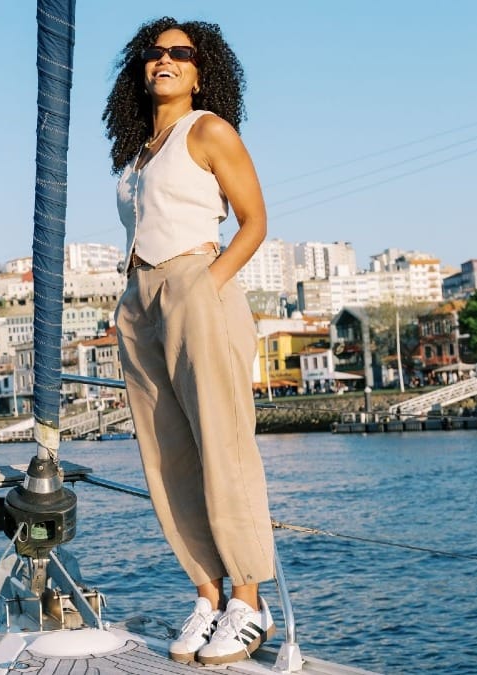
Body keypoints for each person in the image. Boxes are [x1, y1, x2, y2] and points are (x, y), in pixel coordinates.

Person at [103, 17, 275, 666]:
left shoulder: (209, 131)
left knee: (223, 446)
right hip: (138, 300)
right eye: (155, 52)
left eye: (181, 53)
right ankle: (208, 593)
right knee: (166, 458)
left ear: (203, 71)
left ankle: (248, 599)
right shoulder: (138, 153)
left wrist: (208, 285)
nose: (165, 60)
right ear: (140, 68)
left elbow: (255, 222)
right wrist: (129, 303)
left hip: (197, 284)